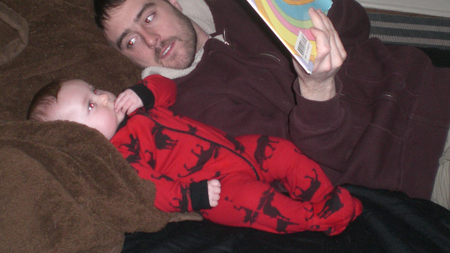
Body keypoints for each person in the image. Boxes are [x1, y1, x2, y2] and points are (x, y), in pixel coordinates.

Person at [92, 0, 450, 238]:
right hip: (445, 156)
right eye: (131, 41)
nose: (151, 40)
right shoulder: (192, 113)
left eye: (149, 16)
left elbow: (356, 27)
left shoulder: (238, 4)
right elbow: (311, 166)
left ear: (171, 0)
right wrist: (317, 89)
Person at [27, 74, 362, 235]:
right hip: (216, 188)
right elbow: (152, 188)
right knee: (259, 204)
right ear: (81, 138)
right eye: (90, 106)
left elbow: (168, 89)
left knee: (283, 151)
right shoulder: (121, 154)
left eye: (95, 89)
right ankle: (317, 218)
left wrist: (145, 91)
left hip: (237, 148)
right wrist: (190, 196)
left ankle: (323, 194)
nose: (103, 97)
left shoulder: (135, 107)